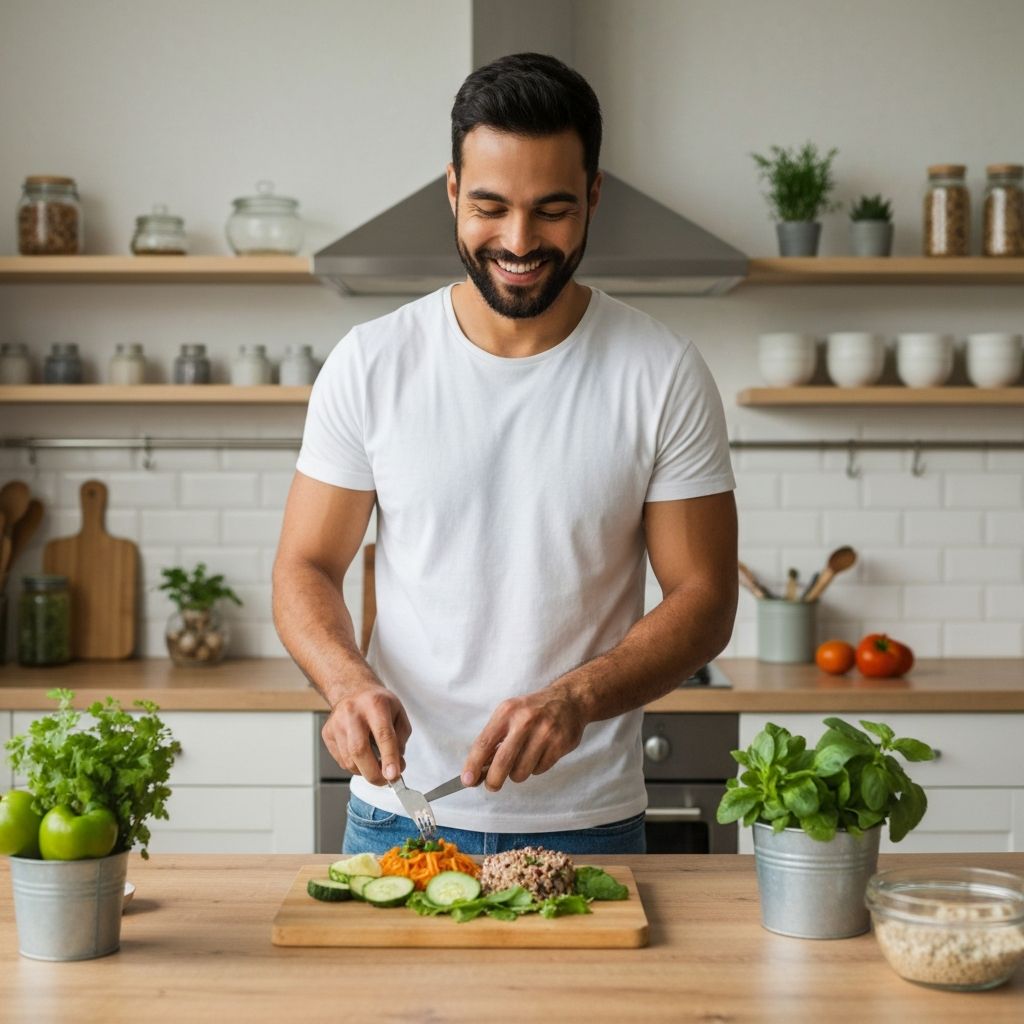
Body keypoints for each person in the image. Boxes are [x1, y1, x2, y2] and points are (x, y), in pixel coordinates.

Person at [272, 52, 738, 857]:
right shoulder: (372, 361)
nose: (519, 241)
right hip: (396, 812)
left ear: (594, 196)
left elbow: (704, 598)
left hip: (585, 825)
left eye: (553, 210)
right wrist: (346, 685)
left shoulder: (662, 372)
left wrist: (575, 697)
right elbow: (305, 565)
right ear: (452, 190)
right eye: (490, 206)